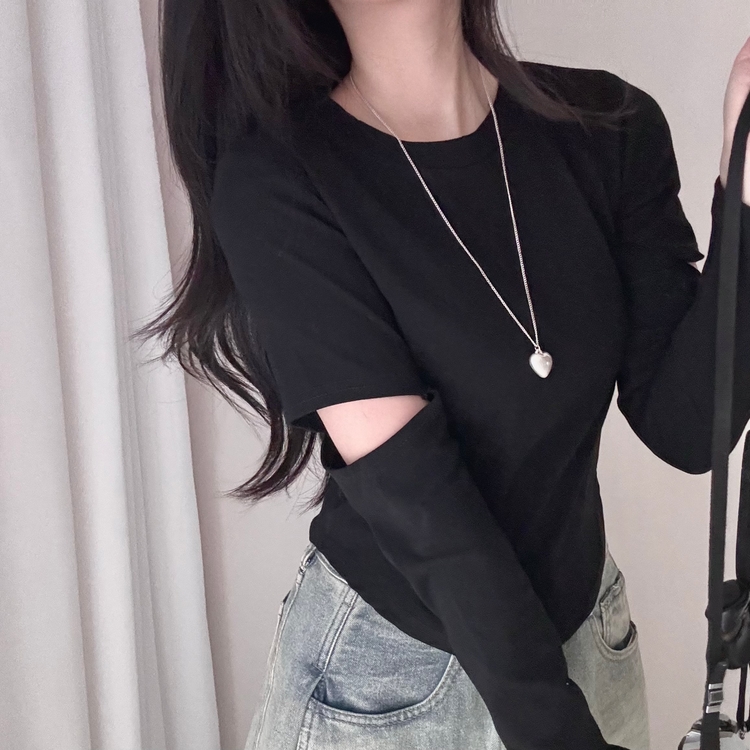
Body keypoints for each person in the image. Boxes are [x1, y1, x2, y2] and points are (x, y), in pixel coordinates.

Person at [137, 0, 750, 747]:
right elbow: (425, 511)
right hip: (387, 687)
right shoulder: (281, 179)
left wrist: (744, 187)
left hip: (588, 643)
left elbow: (691, 429)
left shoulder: (610, 126)